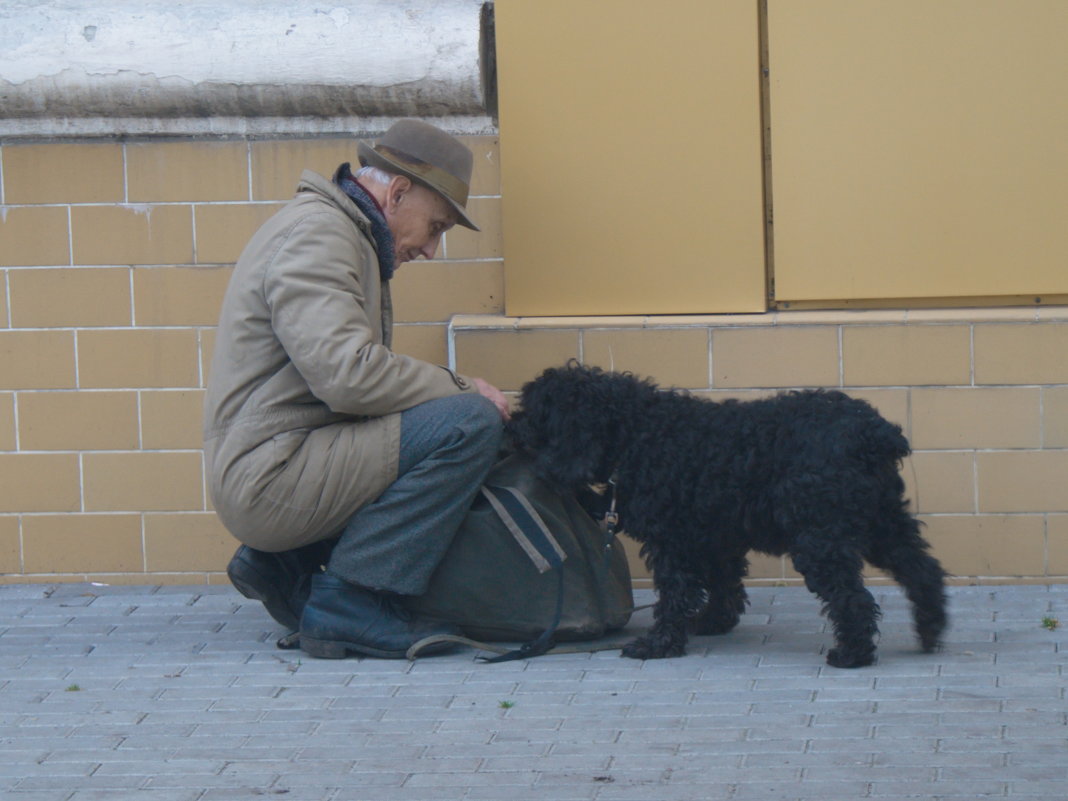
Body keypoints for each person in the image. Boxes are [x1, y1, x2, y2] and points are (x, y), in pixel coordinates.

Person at [203, 119, 510, 659]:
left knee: (424, 421)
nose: (432, 250)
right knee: (467, 423)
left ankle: (285, 565)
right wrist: (462, 387)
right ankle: (353, 602)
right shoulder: (321, 236)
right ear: (396, 192)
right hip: (271, 477)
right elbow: (349, 377)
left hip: (283, 460)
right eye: (436, 227)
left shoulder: (342, 231)